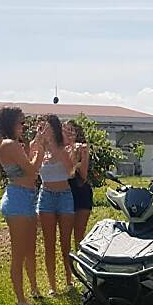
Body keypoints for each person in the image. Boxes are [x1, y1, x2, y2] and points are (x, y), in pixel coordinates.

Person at [0, 106, 45, 305]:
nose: (24, 127)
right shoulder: (9, 144)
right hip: (18, 201)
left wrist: (35, 144)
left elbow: (27, 166)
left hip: (26, 198)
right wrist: (41, 149)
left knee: (30, 249)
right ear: (11, 123)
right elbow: (32, 170)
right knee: (19, 253)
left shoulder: (14, 144)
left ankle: (34, 289)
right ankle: (21, 300)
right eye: (21, 123)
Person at [36, 115, 76, 295]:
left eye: (45, 127)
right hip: (46, 196)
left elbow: (71, 171)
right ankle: (52, 285)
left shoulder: (62, 149)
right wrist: (39, 142)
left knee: (65, 242)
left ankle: (69, 280)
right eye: (40, 127)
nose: (43, 130)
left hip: (64, 196)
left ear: (54, 128)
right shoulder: (39, 149)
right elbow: (31, 168)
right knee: (49, 243)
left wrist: (61, 150)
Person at [65, 121, 94, 288]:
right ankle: (69, 274)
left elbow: (82, 175)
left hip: (81, 191)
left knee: (79, 234)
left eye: (71, 130)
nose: (68, 133)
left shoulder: (82, 148)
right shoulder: (57, 149)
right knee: (65, 236)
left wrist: (79, 156)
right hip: (64, 193)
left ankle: (83, 271)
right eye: (65, 130)